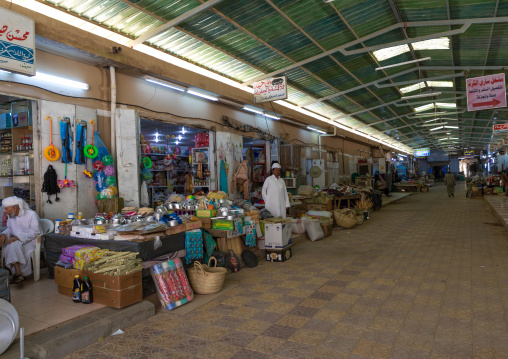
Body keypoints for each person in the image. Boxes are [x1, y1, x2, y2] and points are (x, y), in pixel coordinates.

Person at [0, 196, 40, 284]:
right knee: (13, 245)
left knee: (13, 245)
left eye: (6, 209)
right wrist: (3, 234)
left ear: (15, 207)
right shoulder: (11, 216)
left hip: (32, 241)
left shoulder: (31, 214)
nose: (5, 212)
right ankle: (18, 274)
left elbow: (36, 232)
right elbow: (9, 229)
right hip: (18, 241)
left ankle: (17, 273)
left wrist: (18, 237)